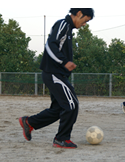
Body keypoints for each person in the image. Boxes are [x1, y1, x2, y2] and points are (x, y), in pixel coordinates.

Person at [18, 8, 94, 149]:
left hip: (58, 74)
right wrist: (64, 62)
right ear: (79, 13)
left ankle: (29, 122)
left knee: (59, 109)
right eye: (85, 20)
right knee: (72, 104)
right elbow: (50, 45)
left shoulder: (68, 29)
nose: (84, 24)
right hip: (54, 73)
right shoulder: (63, 24)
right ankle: (61, 139)